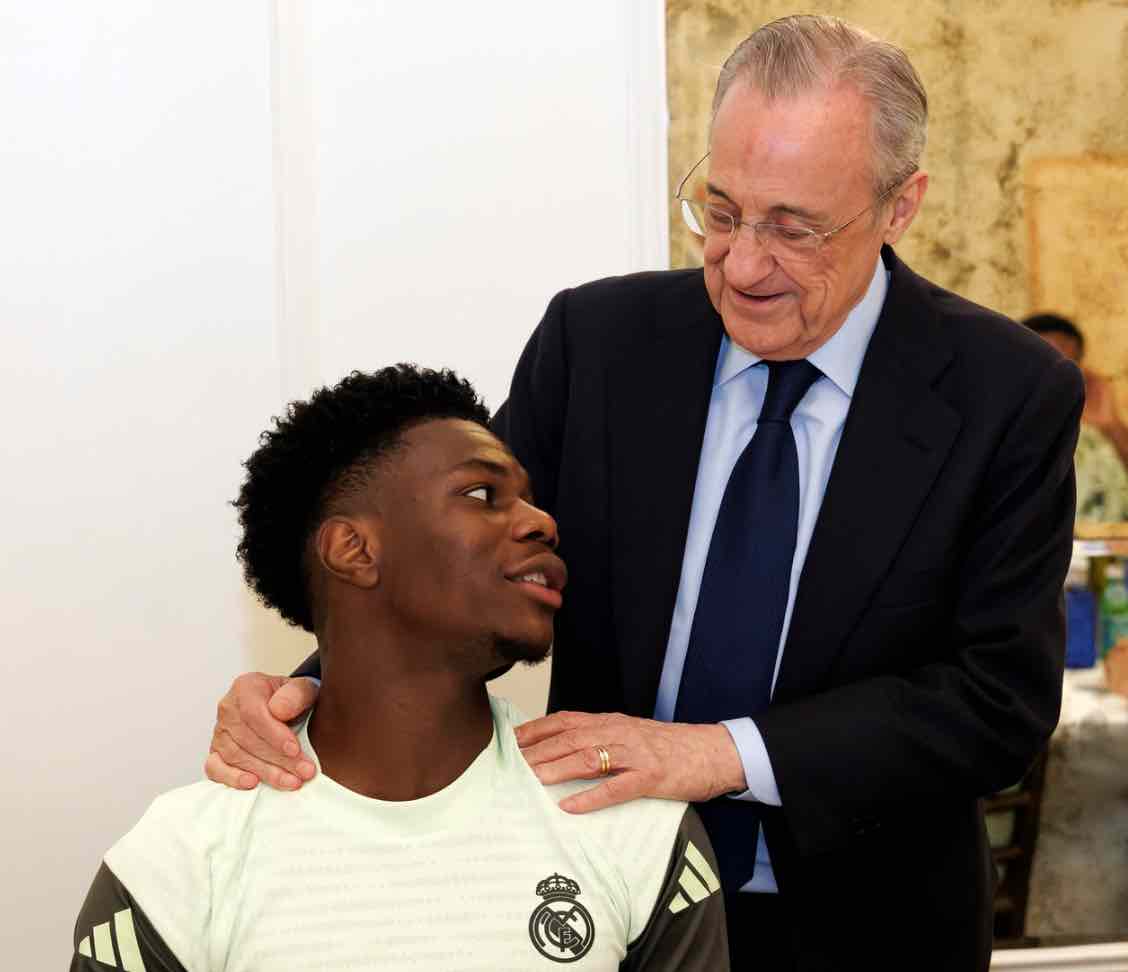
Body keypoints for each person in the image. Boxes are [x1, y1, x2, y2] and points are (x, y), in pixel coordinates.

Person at [206, 16, 1083, 970]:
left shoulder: (1006, 391)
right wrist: (311, 692)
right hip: (598, 906)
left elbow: (996, 701)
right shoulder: (597, 344)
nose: (742, 264)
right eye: (721, 210)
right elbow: (459, 570)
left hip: (873, 926)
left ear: (899, 206)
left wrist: (716, 754)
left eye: (793, 228)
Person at [71, 366, 728, 971]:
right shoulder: (180, 862)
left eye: (529, 499)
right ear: (354, 550)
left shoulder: (637, 831)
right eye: (481, 493)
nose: (542, 523)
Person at [1024, 312, 1128, 522]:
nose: (1052, 382)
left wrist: (1111, 426)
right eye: (1041, 367)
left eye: (1064, 367)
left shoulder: (1097, 436)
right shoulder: (1001, 430)